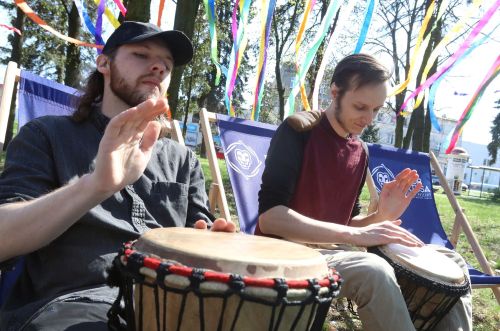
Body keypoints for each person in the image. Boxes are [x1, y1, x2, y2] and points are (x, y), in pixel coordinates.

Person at [0, 21, 235, 330]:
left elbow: (198, 239)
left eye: (166, 64)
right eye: (141, 54)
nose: (158, 68)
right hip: (74, 306)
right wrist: (95, 186)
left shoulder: (182, 159)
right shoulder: (47, 135)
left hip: (170, 305)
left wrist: (214, 244)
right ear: (104, 63)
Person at [256, 54, 472, 330]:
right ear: (335, 93)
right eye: (360, 107)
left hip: (332, 251)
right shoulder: (298, 131)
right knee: (375, 271)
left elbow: (346, 222)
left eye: (376, 110)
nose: (368, 118)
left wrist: (381, 215)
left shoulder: (361, 152)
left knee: (453, 264)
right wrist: (355, 234)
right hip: (286, 252)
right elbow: (270, 218)